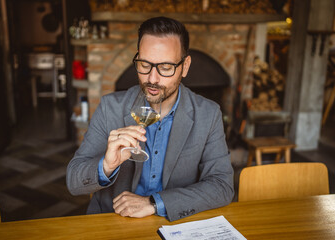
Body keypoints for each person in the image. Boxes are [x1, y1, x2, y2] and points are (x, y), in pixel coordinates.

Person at [66, 16, 234, 222]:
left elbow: (222, 186)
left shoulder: (208, 113)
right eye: (145, 64)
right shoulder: (110, 107)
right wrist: (106, 166)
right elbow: (73, 181)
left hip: (174, 223)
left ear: (185, 66)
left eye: (165, 68)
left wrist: (155, 203)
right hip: (112, 223)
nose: (152, 79)